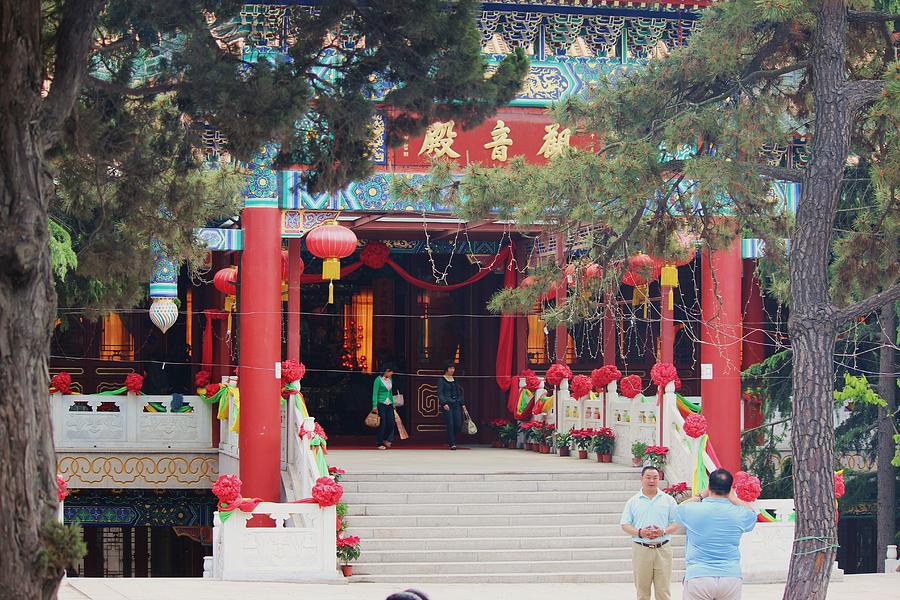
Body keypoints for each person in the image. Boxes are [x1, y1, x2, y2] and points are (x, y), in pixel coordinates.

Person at [676, 468, 758, 600]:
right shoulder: (739, 514)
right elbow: (753, 514)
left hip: (698, 575)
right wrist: (734, 498)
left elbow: (678, 509)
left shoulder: (692, 510)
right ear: (730, 488)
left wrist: (700, 496)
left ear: (709, 486)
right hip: (730, 576)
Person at [620, 465, 680, 600]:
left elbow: (677, 523)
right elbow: (624, 524)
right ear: (641, 479)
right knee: (642, 593)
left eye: (655, 478)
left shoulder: (668, 500)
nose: (651, 481)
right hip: (641, 549)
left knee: (663, 592)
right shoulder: (633, 501)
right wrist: (639, 532)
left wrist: (663, 531)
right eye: (648, 477)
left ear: (659, 479)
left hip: (663, 549)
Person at [437, 361, 465, 450]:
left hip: (456, 403)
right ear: (446, 369)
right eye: (451, 368)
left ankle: (450, 439)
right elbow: (440, 393)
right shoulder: (441, 379)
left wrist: (462, 403)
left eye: (453, 368)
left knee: (458, 424)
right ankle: (452, 443)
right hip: (447, 404)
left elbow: (459, 392)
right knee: (450, 423)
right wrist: (444, 403)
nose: (452, 370)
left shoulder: (455, 379)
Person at [372, 364, 396, 450]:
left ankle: (386, 439)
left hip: (389, 403)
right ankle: (379, 442)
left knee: (391, 423)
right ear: (386, 371)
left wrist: (393, 403)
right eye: (391, 372)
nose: (392, 373)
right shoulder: (378, 380)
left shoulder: (390, 379)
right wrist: (374, 405)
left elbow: (390, 392)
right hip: (381, 403)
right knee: (382, 423)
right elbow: (375, 393)